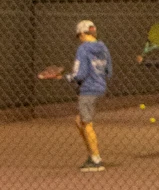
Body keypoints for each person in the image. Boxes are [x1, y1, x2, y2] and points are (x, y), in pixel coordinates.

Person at [38, 18, 112, 170]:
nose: (79, 39)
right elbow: (109, 71)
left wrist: (63, 77)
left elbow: (79, 74)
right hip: (100, 87)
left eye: (79, 36)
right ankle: (92, 155)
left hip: (88, 89)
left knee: (86, 123)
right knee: (79, 121)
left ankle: (96, 160)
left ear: (82, 34)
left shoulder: (83, 49)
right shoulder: (103, 48)